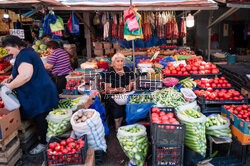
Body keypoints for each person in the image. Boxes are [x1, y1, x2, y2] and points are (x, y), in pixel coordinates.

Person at [2, 35, 58, 154]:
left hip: (39, 93)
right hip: (40, 90)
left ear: (16, 46)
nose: (8, 52)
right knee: (41, 118)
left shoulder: (24, 55)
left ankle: (44, 143)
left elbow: (25, 75)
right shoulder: (25, 53)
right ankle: (45, 139)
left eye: (8, 49)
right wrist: (9, 79)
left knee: (41, 118)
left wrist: (9, 86)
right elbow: (18, 72)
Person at [104, 53, 134, 132]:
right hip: (112, 95)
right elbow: (107, 89)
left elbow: (132, 81)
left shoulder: (127, 69)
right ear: (113, 63)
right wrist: (118, 89)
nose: (120, 63)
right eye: (118, 61)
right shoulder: (109, 72)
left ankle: (129, 124)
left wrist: (129, 86)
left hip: (126, 93)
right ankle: (117, 128)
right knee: (118, 108)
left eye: (122, 61)